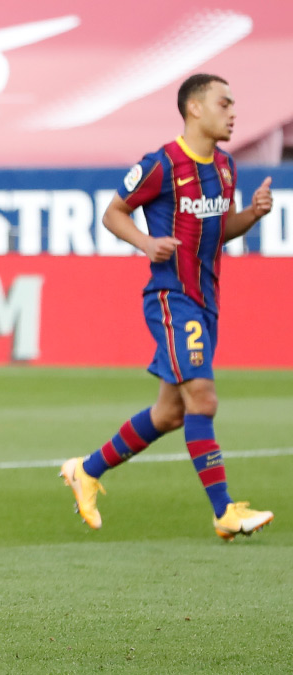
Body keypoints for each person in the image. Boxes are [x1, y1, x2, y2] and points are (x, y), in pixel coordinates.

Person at [61, 73, 274, 541]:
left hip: (208, 300)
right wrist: (145, 242)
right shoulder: (161, 165)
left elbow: (221, 229)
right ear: (195, 108)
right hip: (172, 298)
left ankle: (86, 470)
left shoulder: (225, 167)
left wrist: (252, 215)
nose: (233, 112)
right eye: (225, 103)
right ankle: (224, 512)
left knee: (171, 413)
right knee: (204, 398)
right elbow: (113, 212)